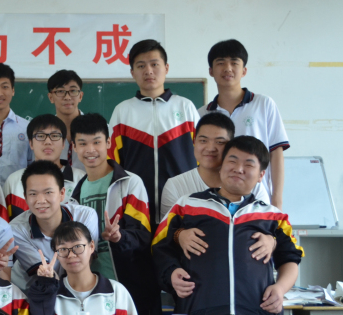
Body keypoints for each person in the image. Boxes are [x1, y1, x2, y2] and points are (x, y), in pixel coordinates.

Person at [152, 136, 303, 315]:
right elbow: (159, 247)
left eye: (249, 164)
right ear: (221, 166)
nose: (238, 169)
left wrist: (280, 289)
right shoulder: (187, 206)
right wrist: (172, 272)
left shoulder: (273, 216)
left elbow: (291, 259)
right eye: (232, 160)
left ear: (261, 175)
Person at [69, 113, 160, 315]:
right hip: (92, 290)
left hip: (131, 285)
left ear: (109, 142)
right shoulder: (74, 195)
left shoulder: (129, 183)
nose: (90, 150)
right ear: (74, 147)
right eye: (83, 143)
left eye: (97, 142)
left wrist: (120, 237)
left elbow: (143, 235)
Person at [108, 39, 198, 222]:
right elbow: (111, 162)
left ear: (166, 68)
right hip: (136, 208)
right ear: (132, 72)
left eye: (154, 64)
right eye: (141, 66)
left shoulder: (186, 108)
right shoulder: (122, 112)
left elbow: (205, 156)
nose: (148, 71)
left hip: (183, 205)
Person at [199, 39, 289, 208]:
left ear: (244, 70)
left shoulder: (263, 104)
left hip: (257, 198)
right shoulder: (203, 114)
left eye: (234, 63)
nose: (228, 68)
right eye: (220, 63)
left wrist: (276, 200)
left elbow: (276, 153)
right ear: (211, 70)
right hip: (216, 201)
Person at [26, 221, 140, 315]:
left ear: (91, 246)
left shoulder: (116, 292)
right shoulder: (51, 294)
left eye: (78, 246)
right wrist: (45, 286)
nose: (71, 255)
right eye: (63, 249)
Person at [160, 113, 271, 219]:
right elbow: (168, 228)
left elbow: (265, 225)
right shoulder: (176, 185)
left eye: (219, 142)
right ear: (194, 141)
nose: (210, 148)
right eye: (203, 140)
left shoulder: (252, 186)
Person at [10, 161, 98, 291]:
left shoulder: (85, 216)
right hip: (31, 292)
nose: (41, 200)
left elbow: (84, 264)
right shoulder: (16, 229)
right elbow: (46, 274)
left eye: (48, 192)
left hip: (74, 289)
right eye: (33, 194)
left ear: (62, 193)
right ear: (25, 197)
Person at [3, 115, 85, 220]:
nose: (48, 142)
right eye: (40, 136)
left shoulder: (81, 178)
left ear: (63, 143)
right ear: (31, 143)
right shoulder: (14, 181)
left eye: (54, 136)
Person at [46, 69, 84, 171]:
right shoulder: (43, 133)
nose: (67, 97)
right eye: (60, 91)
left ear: (80, 96)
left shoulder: (99, 129)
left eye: (73, 91)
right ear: (51, 97)